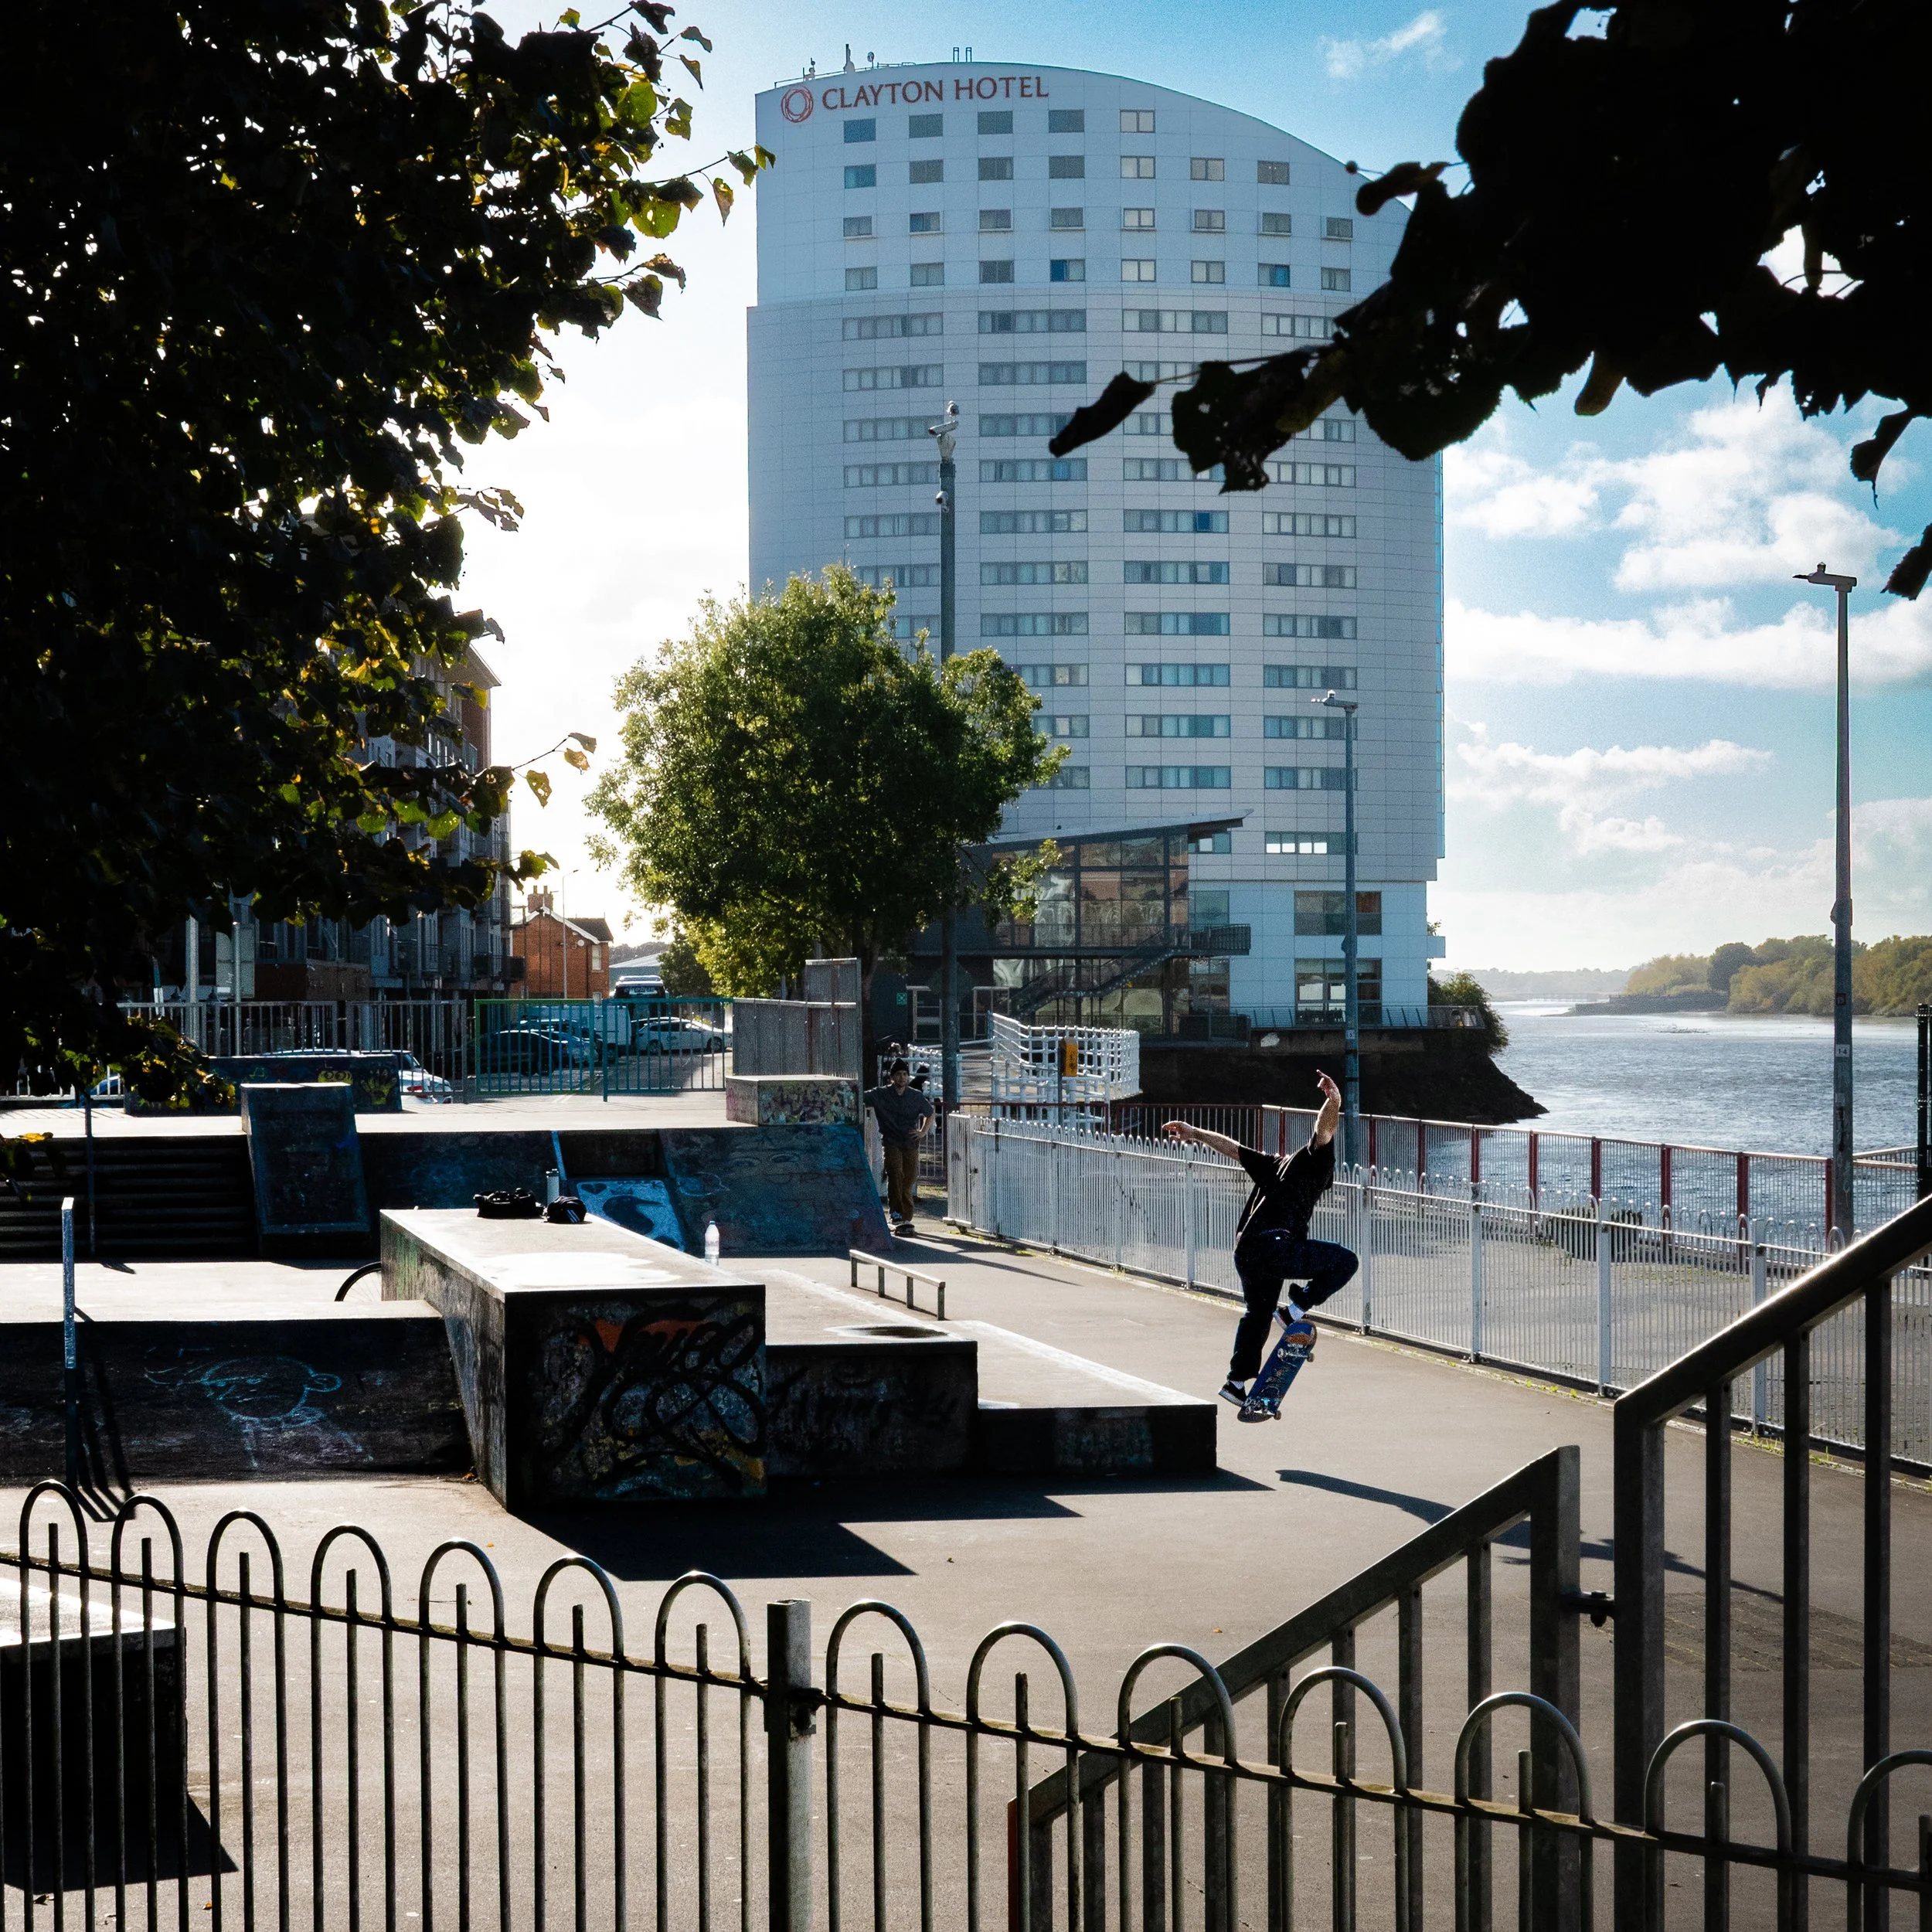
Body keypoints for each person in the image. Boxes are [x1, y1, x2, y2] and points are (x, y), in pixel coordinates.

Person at [1162, 1070, 1359, 1417]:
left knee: (1257, 1315)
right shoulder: (1315, 1163)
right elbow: (1324, 1131)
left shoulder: (1274, 1165)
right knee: (1345, 1261)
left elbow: (1233, 1149)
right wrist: (1334, 1102)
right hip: (1275, 1247)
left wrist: (1195, 1133)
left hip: (1247, 1252)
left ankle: (1236, 1384)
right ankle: (1294, 1310)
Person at [864, 1057, 935, 1233]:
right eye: (898, 1075)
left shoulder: (915, 1096)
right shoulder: (881, 1094)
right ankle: (895, 1213)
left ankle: (907, 1215)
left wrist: (922, 1132)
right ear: (892, 1077)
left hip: (910, 1142)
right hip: (891, 1141)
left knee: (909, 1177)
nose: (902, 1078)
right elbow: (860, 1096)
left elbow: (930, 1114)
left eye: (905, 1074)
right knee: (895, 1172)